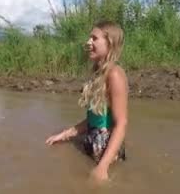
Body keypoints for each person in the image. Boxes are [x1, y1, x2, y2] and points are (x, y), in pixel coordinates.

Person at [45, 20, 128, 182]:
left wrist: (103, 167)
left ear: (109, 43)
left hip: (106, 153)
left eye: (94, 38)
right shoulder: (98, 75)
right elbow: (94, 119)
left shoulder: (115, 75)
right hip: (92, 145)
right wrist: (64, 134)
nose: (88, 42)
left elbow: (121, 123)